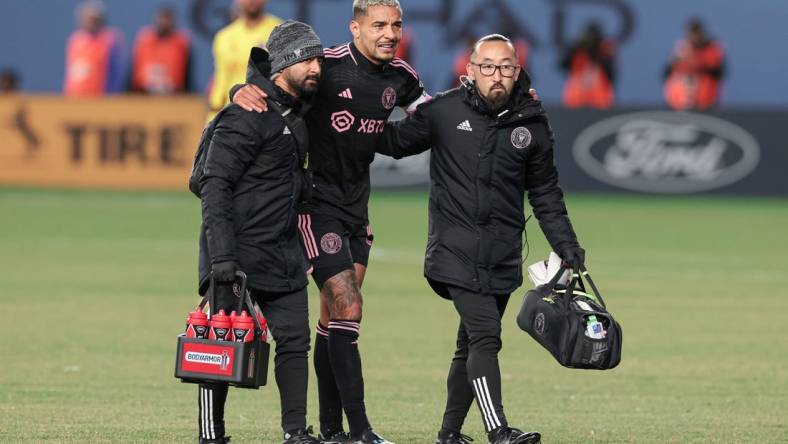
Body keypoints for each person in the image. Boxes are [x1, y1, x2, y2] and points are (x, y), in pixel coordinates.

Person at [232, 1, 430, 443]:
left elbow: (432, 114)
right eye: (378, 24)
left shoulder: (402, 76)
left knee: (335, 319)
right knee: (349, 304)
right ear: (355, 27)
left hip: (356, 208)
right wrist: (239, 90)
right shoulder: (327, 66)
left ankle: (330, 431)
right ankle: (361, 431)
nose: (389, 33)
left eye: (396, 24)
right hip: (312, 204)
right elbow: (275, 84)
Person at [374, 34, 586, 444]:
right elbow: (392, 142)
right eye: (487, 66)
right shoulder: (444, 111)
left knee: (469, 344)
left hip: (502, 253)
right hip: (453, 250)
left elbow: (545, 192)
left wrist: (566, 245)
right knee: (487, 335)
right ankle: (498, 431)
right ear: (469, 70)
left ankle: (449, 434)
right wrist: (359, 106)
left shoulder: (533, 124)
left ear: (517, 71)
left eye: (506, 67)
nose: (496, 75)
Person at [195, 21, 324, 444]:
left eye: (319, 59)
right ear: (284, 62)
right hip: (237, 251)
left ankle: (294, 432)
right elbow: (213, 184)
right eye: (307, 59)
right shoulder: (246, 116)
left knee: (294, 342)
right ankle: (211, 435)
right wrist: (222, 259)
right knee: (218, 344)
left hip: (283, 249)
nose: (316, 67)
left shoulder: (297, 109)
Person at [207, 0, 282, 118]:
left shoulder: (280, 32)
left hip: (267, 113)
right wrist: (212, 118)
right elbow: (221, 80)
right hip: (232, 113)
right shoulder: (224, 37)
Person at [63, 0, 126, 96]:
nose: (91, 23)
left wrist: (111, 94)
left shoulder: (110, 40)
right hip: (75, 95)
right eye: (88, 19)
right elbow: (71, 70)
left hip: (99, 97)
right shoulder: (75, 39)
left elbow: (115, 72)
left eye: (95, 20)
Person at [663, 18, 725, 110]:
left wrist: (698, 63)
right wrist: (675, 61)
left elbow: (719, 73)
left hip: (705, 104)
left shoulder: (712, 50)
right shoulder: (681, 49)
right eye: (692, 32)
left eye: (697, 32)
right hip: (679, 105)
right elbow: (665, 74)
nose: (695, 36)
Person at [131, 5, 192, 94]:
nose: (164, 22)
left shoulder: (181, 42)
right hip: (145, 94)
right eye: (161, 18)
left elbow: (187, 74)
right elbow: (135, 72)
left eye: (167, 19)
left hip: (173, 95)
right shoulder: (144, 40)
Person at [559, 21, 616, 109]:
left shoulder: (604, 51)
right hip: (575, 100)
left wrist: (600, 52)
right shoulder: (576, 50)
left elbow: (611, 74)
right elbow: (563, 64)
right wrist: (575, 47)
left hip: (600, 101)